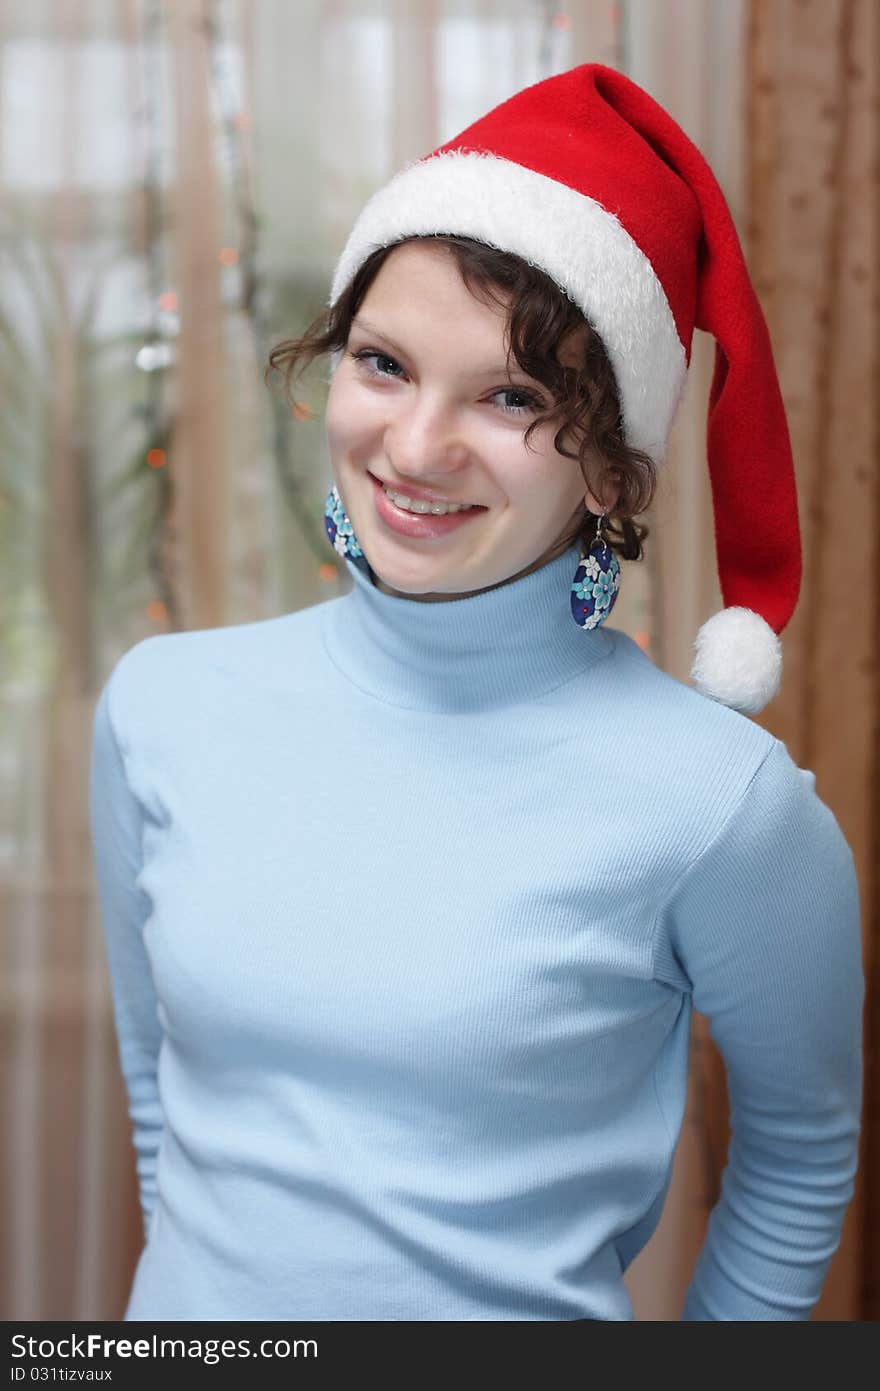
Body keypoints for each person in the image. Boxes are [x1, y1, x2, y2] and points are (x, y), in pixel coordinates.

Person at [89, 63, 864, 1321]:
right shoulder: (161, 707)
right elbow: (162, 1096)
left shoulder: (722, 802)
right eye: (384, 363)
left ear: (613, 471)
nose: (415, 446)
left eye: (512, 395)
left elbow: (799, 1155)